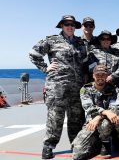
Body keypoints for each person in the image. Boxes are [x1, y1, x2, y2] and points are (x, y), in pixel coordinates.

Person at [29, 15, 87, 159]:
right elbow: (33, 54)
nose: (70, 26)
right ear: (62, 26)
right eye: (66, 24)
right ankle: (49, 145)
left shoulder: (80, 43)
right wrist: (45, 68)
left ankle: (75, 144)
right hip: (57, 86)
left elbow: (85, 61)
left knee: (76, 118)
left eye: (72, 24)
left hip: (76, 86)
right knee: (55, 117)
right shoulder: (51, 40)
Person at [72, 65, 119, 160]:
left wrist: (100, 117)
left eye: (103, 75)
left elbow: (113, 109)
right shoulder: (85, 89)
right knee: (77, 155)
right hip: (91, 122)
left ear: (107, 76)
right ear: (93, 76)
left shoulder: (114, 89)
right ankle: (96, 143)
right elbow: (88, 107)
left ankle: (105, 142)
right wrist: (103, 113)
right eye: (98, 75)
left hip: (108, 122)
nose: (100, 77)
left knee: (105, 124)